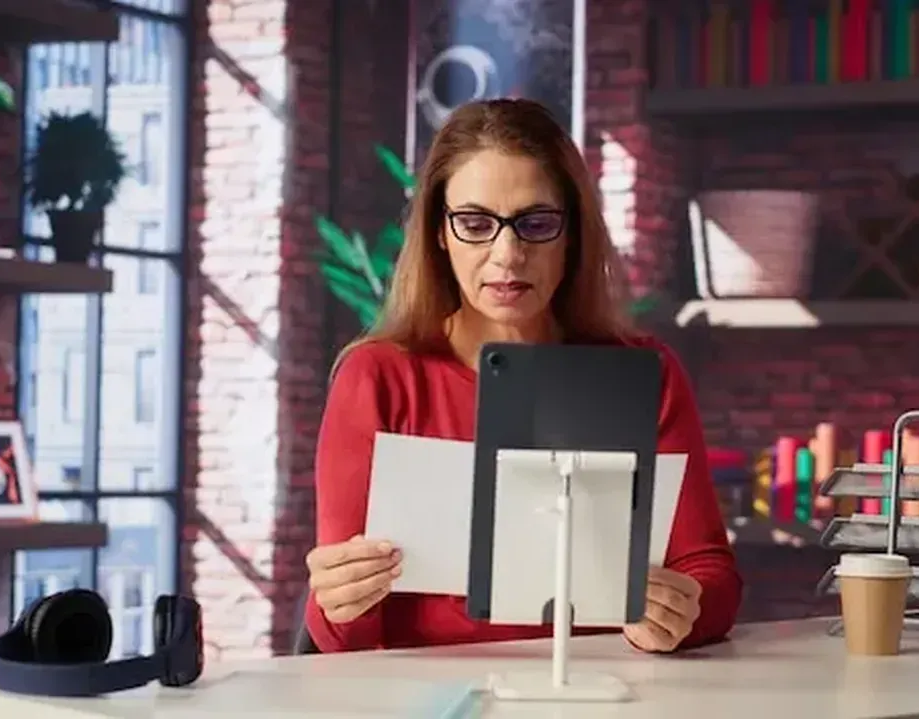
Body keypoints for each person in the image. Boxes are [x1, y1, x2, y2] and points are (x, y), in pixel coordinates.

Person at [303, 98, 741, 654]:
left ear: (572, 233)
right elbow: (342, 641)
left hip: (603, 686)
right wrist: (338, 602)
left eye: (535, 224)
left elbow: (711, 575)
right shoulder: (378, 377)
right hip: (432, 693)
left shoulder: (642, 372)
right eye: (475, 224)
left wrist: (682, 611)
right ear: (440, 233)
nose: (507, 254)